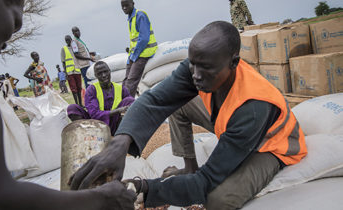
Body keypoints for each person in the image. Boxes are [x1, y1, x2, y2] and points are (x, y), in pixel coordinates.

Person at [68, 21, 308, 209]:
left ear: (234, 62)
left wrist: (140, 189)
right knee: (180, 104)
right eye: (193, 65)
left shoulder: (253, 107)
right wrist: (119, 144)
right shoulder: (197, 68)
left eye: (206, 68)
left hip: (271, 145)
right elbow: (154, 100)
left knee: (219, 200)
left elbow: (206, 182)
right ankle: (189, 166)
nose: (196, 75)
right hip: (230, 124)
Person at [0, 0, 136, 209]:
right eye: (17, 21)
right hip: (99, 120)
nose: (6, 43)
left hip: (112, 123)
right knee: (73, 108)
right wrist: (102, 199)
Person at [67, 61, 135, 135]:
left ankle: (120, 135)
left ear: (109, 71)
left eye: (105, 72)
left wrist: (122, 111)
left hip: (114, 124)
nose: (104, 75)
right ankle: (84, 136)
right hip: (95, 125)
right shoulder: (92, 89)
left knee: (130, 101)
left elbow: (132, 107)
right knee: (72, 108)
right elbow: (94, 114)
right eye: (100, 74)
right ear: (96, 76)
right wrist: (118, 110)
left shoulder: (120, 88)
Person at [121, 0, 158, 97]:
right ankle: (122, 103)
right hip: (135, 53)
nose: (124, 8)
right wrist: (131, 54)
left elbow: (144, 39)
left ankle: (127, 106)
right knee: (125, 80)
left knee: (131, 81)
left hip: (144, 52)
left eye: (126, 5)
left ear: (133, 4)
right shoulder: (130, 18)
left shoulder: (140, 16)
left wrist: (134, 56)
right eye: (122, 6)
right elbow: (135, 40)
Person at [61, 35, 83, 105]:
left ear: (71, 40)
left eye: (69, 40)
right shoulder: (63, 49)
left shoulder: (75, 47)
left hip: (77, 70)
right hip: (70, 72)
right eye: (66, 40)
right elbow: (63, 62)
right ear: (65, 41)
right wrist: (66, 73)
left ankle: (81, 104)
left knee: (79, 88)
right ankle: (77, 104)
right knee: (74, 89)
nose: (68, 41)